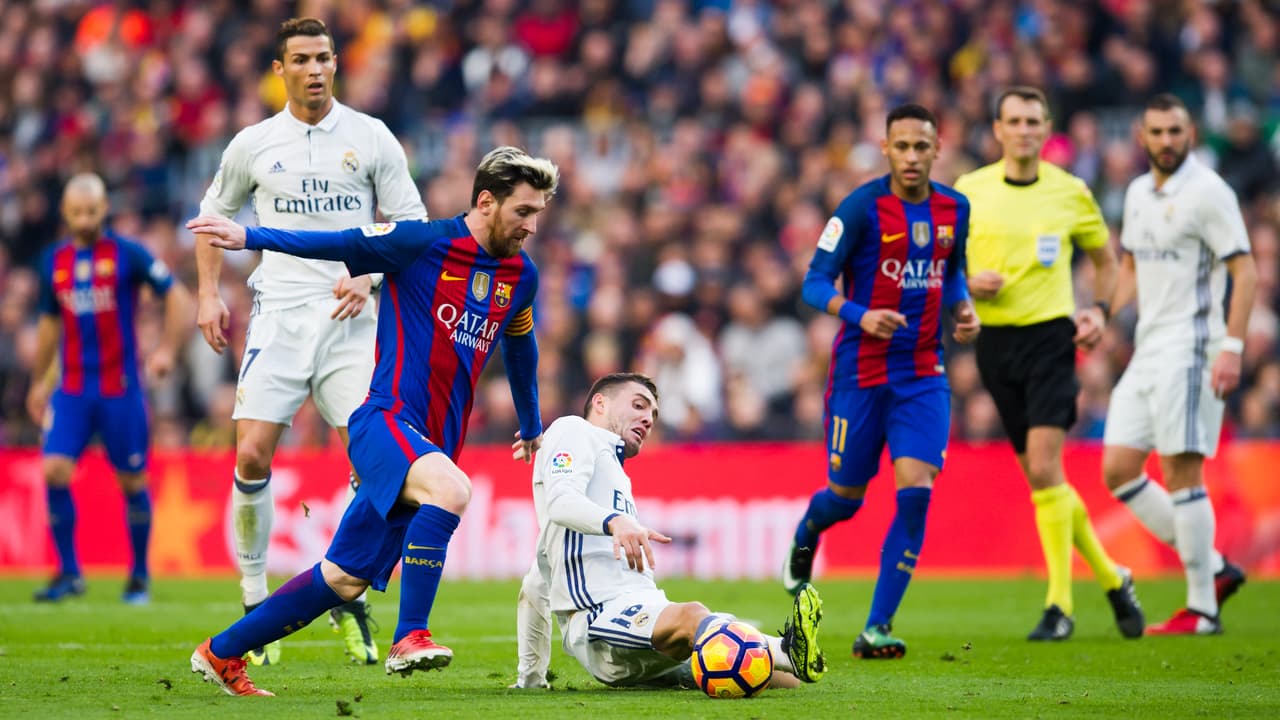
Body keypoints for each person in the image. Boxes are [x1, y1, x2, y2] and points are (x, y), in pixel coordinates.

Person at [186, 145, 557, 697]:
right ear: (486, 201)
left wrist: (531, 424)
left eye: (537, 214)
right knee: (452, 492)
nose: (531, 226)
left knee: (343, 577)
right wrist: (252, 238)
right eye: (523, 212)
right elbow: (339, 242)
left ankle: (220, 653)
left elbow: (521, 344)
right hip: (385, 420)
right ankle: (410, 636)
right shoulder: (422, 242)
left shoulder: (519, 275)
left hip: (432, 442)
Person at [193, 17, 428, 666]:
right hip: (280, 318)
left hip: (352, 323)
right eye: (302, 59)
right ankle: (252, 597)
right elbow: (212, 221)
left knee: (372, 459)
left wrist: (373, 273)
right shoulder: (255, 143)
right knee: (251, 456)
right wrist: (208, 294)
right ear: (280, 69)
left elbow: (412, 226)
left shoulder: (370, 137)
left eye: (325, 57)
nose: (317, 69)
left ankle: (348, 594)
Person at [780, 104, 981, 659]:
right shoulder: (862, 208)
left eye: (922, 146)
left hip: (922, 375)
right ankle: (806, 533)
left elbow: (952, 270)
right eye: (903, 146)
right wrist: (860, 313)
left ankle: (877, 627)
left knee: (915, 494)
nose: (913, 156)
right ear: (887, 148)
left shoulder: (955, 208)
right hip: (860, 375)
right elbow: (814, 283)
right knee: (845, 499)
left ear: (937, 148)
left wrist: (963, 310)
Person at [953, 86, 1143, 641]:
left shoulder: (1070, 192)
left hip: (1051, 339)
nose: (1024, 130)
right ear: (997, 129)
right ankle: (1113, 577)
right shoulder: (970, 191)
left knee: (1043, 467)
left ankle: (1060, 605)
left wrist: (1102, 311)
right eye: (1014, 120)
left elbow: (1106, 260)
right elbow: (944, 261)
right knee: (1045, 481)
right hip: (994, 344)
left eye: (1034, 121)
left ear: (1046, 127)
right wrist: (966, 282)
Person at [512, 373, 825, 691]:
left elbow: (537, 581)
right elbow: (561, 502)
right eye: (638, 405)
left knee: (781, 680)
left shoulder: (614, 474)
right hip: (600, 616)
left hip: (638, 611)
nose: (647, 419)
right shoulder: (573, 429)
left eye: (653, 415)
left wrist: (531, 680)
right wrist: (615, 521)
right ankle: (787, 649)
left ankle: (782, 656)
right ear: (600, 403)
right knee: (693, 615)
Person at [1102, 94, 1254, 635]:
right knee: (1117, 469)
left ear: (1191, 134)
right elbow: (1128, 264)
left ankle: (1201, 607)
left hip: (1192, 348)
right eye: (1157, 132)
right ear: (1141, 137)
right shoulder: (1138, 192)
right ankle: (1213, 567)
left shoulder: (1210, 192)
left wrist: (1231, 348)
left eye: (1175, 131)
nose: (1167, 141)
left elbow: (1247, 270)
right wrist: (1101, 311)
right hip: (1147, 348)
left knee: (1181, 471)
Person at [27, 172, 191, 604]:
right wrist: (37, 382)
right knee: (54, 469)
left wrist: (167, 351)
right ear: (66, 213)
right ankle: (68, 573)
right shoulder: (53, 261)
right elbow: (48, 324)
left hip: (120, 388)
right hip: (73, 389)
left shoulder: (128, 254)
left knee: (132, 479)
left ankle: (138, 576)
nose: (84, 218)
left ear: (104, 209)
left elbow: (177, 297)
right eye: (76, 211)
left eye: (91, 210)